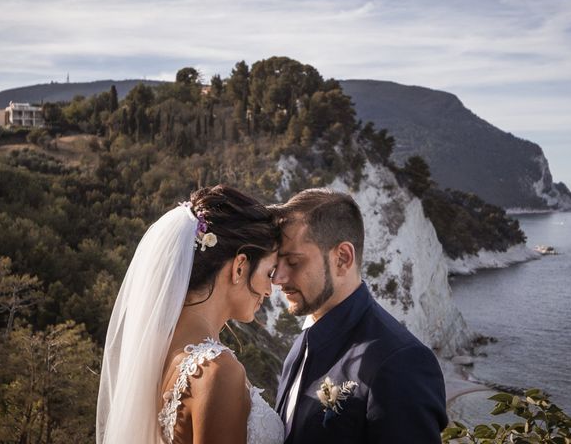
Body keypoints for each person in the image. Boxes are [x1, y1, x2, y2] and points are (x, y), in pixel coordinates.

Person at [96, 185, 285, 444]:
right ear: (240, 267)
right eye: (269, 273)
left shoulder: (160, 352)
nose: (269, 290)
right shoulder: (218, 371)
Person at [271, 188, 448, 443]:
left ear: (342, 258)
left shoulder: (400, 362)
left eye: (294, 262)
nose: (278, 278)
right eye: (277, 263)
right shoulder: (304, 341)